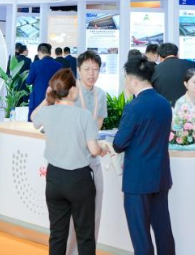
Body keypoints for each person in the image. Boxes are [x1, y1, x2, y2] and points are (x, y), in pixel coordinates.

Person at [33, 68, 105, 255]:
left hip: (54, 178)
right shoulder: (84, 115)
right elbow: (94, 150)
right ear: (72, 89)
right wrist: (102, 150)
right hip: (79, 180)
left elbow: (34, 119)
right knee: (85, 234)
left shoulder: (48, 112)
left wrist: (47, 98)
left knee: (57, 234)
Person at [113, 58, 175, 255]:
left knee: (141, 236)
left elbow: (119, 144)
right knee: (163, 230)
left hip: (138, 180)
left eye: (126, 79)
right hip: (160, 177)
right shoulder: (164, 103)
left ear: (133, 80)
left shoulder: (134, 107)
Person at [68, 50, 108, 255]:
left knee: (95, 209)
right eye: (87, 69)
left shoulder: (101, 94)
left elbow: (98, 124)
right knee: (72, 216)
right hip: (73, 160)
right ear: (79, 70)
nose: (92, 74)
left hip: (92, 158)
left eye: (95, 69)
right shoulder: (71, 92)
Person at [27, 43, 64, 120]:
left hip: (37, 100)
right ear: (49, 52)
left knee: (34, 123)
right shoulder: (59, 65)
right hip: (54, 99)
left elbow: (29, 81)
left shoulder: (35, 64)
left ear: (39, 53)